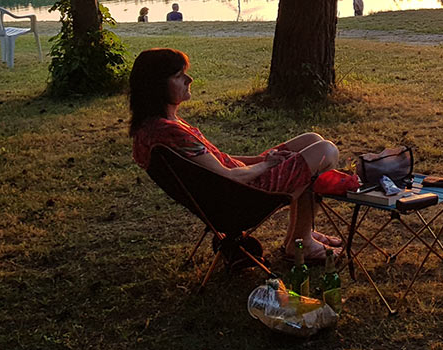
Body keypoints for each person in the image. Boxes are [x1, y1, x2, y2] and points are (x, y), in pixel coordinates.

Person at [128, 48, 342, 261]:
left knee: (310, 140)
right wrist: (267, 165)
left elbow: (217, 160)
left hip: (232, 190)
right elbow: (226, 175)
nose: (189, 79)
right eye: (178, 76)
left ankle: (300, 234)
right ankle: (301, 242)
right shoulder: (169, 132)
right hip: (243, 196)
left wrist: (261, 160)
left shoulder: (154, 127)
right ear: (156, 87)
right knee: (326, 152)